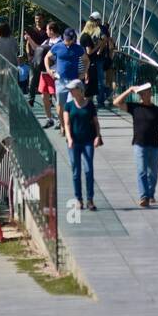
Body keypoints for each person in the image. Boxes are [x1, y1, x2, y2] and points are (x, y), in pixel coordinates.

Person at [114, 82, 158, 208]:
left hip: (154, 145)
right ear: (140, 95)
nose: (147, 95)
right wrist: (129, 90)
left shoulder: (157, 110)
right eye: (144, 93)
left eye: (149, 92)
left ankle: (150, 194)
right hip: (139, 145)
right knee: (141, 171)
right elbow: (116, 103)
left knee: (153, 173)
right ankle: (144, 196)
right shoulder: (135, 107)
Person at [62, 79, 103, 211]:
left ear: (80, 90)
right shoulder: (68, 106)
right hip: (74, 142)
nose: (70, 92)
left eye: (72, 89)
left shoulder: (90, 105)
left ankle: (90, 199)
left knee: (88, 169)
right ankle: (78, 199)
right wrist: (69, 138)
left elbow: (96, 123)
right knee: (76, 171)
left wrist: (97, 136)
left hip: (88, 141)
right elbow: (66, 124)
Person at [46, 27, 87, 115]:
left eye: (70, 39)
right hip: (60, 80)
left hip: (73, 81)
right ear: (64, 37)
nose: (68, 41)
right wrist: (48, 70)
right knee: (60, 104)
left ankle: (69, 125)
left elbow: (86, 60)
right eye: (66, 39)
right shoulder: (57, 46)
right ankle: (62, 125)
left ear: (73, 39)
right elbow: (47, 57)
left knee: (71, 104)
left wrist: (84, 72)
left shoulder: (78, 48)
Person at [82, 12, 116, 107]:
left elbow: (105, 39)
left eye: (94, 20)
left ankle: (100, 100)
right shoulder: (92, 28)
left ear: (98, 20)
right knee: (94, 79)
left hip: (99, 58)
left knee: (100, 80)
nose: (92, 22)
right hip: (92, 58)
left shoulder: (101, 29)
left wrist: (99, 50)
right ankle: (98, 96)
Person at [34, 22, 59, 128]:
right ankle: (49, 118)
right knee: (44, 96)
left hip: (53, 73)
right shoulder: (47, 41)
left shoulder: (60, 42)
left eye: (48, 29)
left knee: (56, 97)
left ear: (52, 30)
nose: (46, 31)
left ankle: (60, 119)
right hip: (44, 73)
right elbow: (38, 49)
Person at [23, 13, 47, 105]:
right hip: (34, 58)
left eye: (40, 19)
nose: (38, 21)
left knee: (46, 79)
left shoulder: (47, 30)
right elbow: (28, 44)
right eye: (36, 19)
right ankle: (31, 99)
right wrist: (29, 56)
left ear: (43, 19)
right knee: (32, 79)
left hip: (45, 58)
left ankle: (48, 99)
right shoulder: (32, 30)